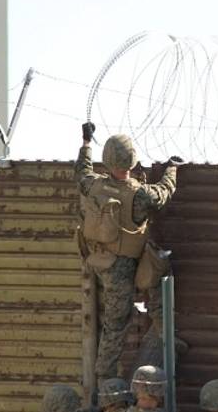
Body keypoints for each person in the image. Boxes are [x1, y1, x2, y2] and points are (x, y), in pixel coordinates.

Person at [76, 122, 182, 389]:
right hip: (123, 266)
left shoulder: (94, 185)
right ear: (132, 161)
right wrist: (172, 169)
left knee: (150, 285)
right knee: (116, 323)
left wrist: (86, 143)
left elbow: (81, 172)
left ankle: (162, 335)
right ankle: (105, 382)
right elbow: (164, 193)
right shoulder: (139, 194)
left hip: (99, 260)